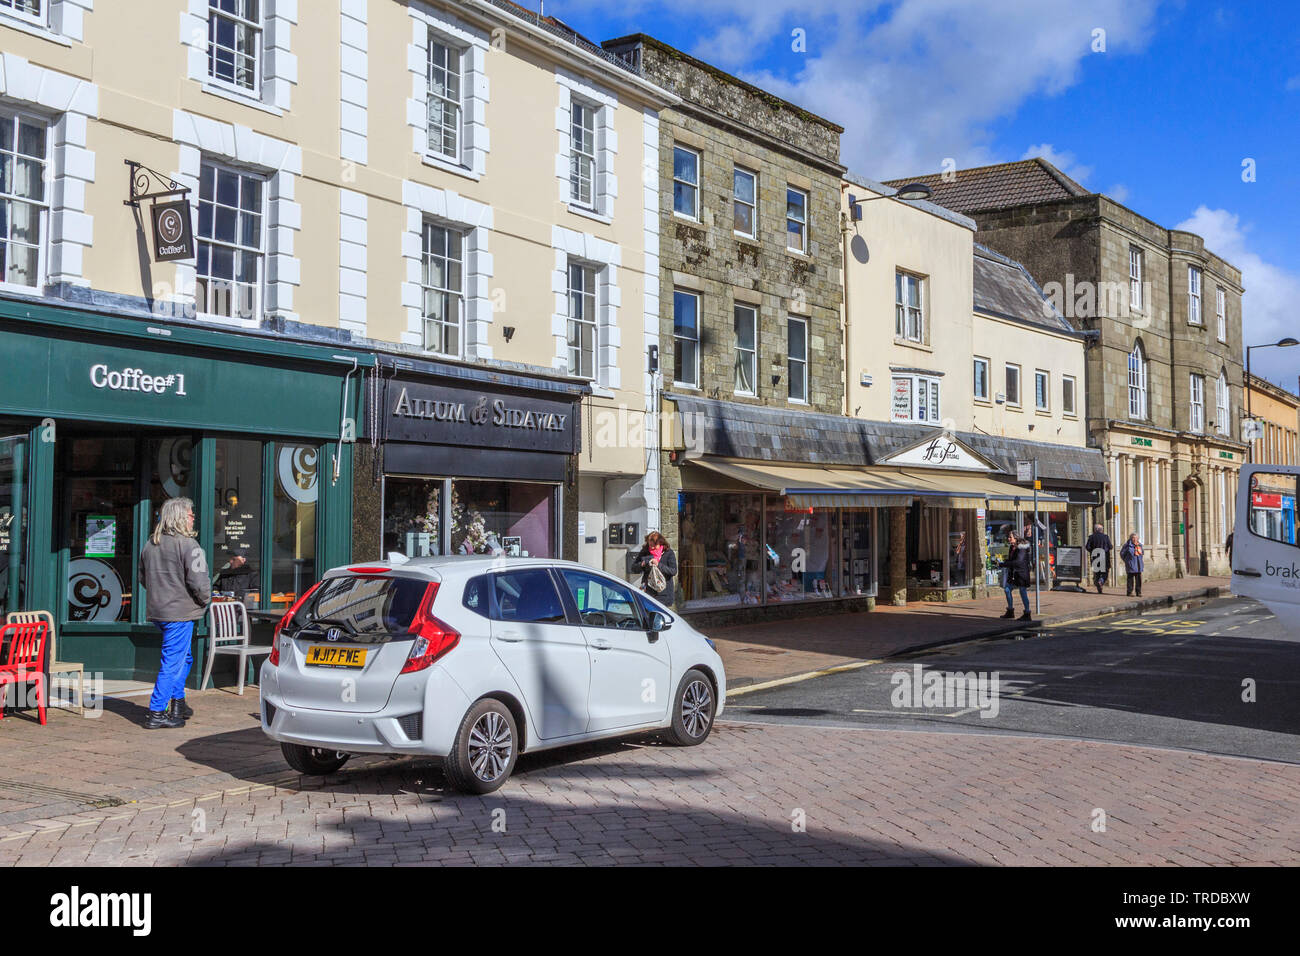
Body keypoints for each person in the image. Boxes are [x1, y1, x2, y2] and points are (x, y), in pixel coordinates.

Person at [139, 497, 210, 729]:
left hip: (158, 611)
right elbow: (200, 583)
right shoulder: (189, 545)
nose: (193, 518)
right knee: (172, 662)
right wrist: (205, 600)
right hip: (179, 613)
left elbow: (142, 578)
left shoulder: (151, 544)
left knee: (184, 657)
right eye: (190, 514)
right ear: (180, 516)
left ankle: (178, 703)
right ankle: (157, 712)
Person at [633, 530, 678, 607]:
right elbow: (633, 568)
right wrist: (642, 564)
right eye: (650, 545)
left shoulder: (669, 553)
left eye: (654, 545)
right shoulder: (645, 552)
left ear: (661, 543)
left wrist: (658, 564)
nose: (652, 548)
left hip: (664, 592)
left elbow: (673, 571)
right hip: (648, 591)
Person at [999, 531, 1033, 621]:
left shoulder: (1021, 548)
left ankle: (1027, 613)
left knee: (1022, 592)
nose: (1008, 539)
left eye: (1010, 537)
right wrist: (1004, 562)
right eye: (1008, 537)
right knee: (1007, 589)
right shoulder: (1012, 547)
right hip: (1014, 574)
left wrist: (1004, 564)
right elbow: (1012, 560)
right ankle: (1010, 611)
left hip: (1022, 574)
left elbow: (1018, 562)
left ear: (1016, 538)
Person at [1084, 523, 1113, 594]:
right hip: (1104, 556)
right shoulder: (1105, 537)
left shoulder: (1091, 537)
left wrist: (1092, 550)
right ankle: (1101, 581)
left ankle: (1099, 586)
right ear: (1101, 530)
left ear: (1095, 529)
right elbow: (1110, 546)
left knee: (1097, 573)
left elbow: (1087, 547)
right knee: (1105, 572)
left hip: (1095, 556)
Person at [1120, 532, 1145, 597]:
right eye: (1133, 538)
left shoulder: (1140, 545)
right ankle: (1129, 592)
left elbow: (1142, 553)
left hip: (1138, 565)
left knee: (1138, 580)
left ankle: (1138, 592)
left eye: (1136, 538)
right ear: (1131, 538)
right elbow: (1122, 554)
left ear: (1138, 538)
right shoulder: (1127, 545)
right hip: (1131, 564)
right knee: (1130, 579)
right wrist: (1127, 561)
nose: (1134, 539)